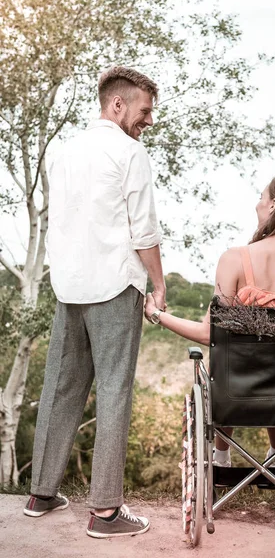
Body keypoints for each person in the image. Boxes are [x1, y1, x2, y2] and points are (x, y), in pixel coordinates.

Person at [24, 66, 166, 539]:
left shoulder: (63, 153)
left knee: (61, 389)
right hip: (114, 287)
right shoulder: (130, 153)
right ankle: (105, 512)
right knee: (113, 394)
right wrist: (158, 285)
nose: (148, 121)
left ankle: (41, 494)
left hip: (69, 287)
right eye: (145, 112)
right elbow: (142, 229)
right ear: (118, 104)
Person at [145, 174, 275, 467]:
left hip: (236, 394)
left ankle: (221, 455)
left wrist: (157, 315)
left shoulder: (234, 259)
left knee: (230, 357)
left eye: (261, 197)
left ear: (273, 205)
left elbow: (210, 335)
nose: (256, 205)